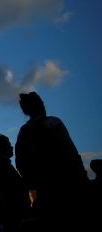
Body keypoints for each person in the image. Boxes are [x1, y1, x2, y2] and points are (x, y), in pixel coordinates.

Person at [14, 92, 89, 221]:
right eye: (41, 103)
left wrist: (33, 183)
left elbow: (21, 163)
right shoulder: (53, 123)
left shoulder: (24, 131)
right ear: (40, 105)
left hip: (45, 189)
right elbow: (71, 152)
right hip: (69, 185)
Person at [0, 134, 31, 232]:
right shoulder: (2, 163)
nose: (12, 147)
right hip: (14, 218)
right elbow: (16, 188)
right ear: (2, 147)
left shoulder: (0, 163)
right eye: (9, 145)